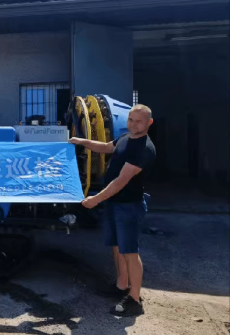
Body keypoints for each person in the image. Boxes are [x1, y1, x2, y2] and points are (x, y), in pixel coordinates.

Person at [69, 104, 155, 317]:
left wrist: (95, 200)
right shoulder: (126, 138)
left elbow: (120, 181)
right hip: (114, 204)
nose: (133, 124)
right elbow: (107, 147)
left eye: (139, 121)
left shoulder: (144, 149)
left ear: (149, 123)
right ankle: (121, 285)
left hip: (129, 206)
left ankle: (134, 299)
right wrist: (82, 141)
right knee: (117, 247)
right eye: (131, 120)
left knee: (130, 252)